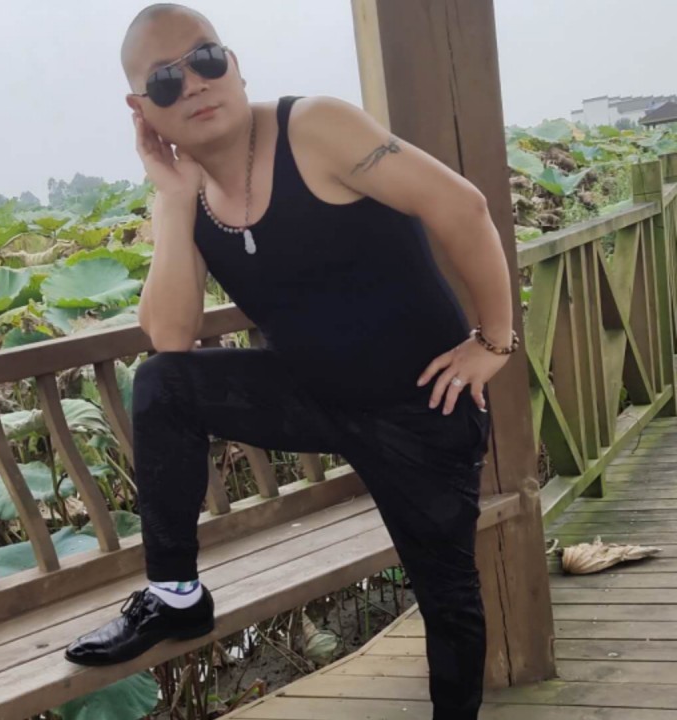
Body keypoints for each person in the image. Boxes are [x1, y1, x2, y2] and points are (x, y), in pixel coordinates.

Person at [64, 4, 519, 719]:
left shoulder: (315, 129)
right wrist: (173, 199)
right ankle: (176, 596)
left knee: (447, 595)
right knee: (163, 385)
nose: (194, 84)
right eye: (165, 80)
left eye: (205, 60)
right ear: (141, 108)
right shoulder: (187, 195)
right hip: (314, 396)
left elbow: (461, 207)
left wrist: (493, 341)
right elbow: (171, 337)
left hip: (421, 405)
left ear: (235, 65)